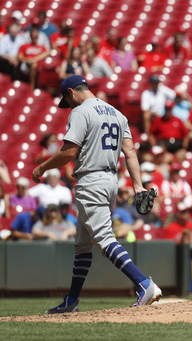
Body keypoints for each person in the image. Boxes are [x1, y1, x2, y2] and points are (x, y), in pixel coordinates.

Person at [32, 75, 162, 313]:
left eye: (66, 99)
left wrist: (42, 167)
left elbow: (69, 152)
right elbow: (130, 152)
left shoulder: (81, 111)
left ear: (71, 92)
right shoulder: (117, 113)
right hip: (110, 180)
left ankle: (144, 283)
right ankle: (72, 301)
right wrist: (138, 186)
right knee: (82, 245)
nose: (68, 105)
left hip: (91, 180)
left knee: (103, 239)